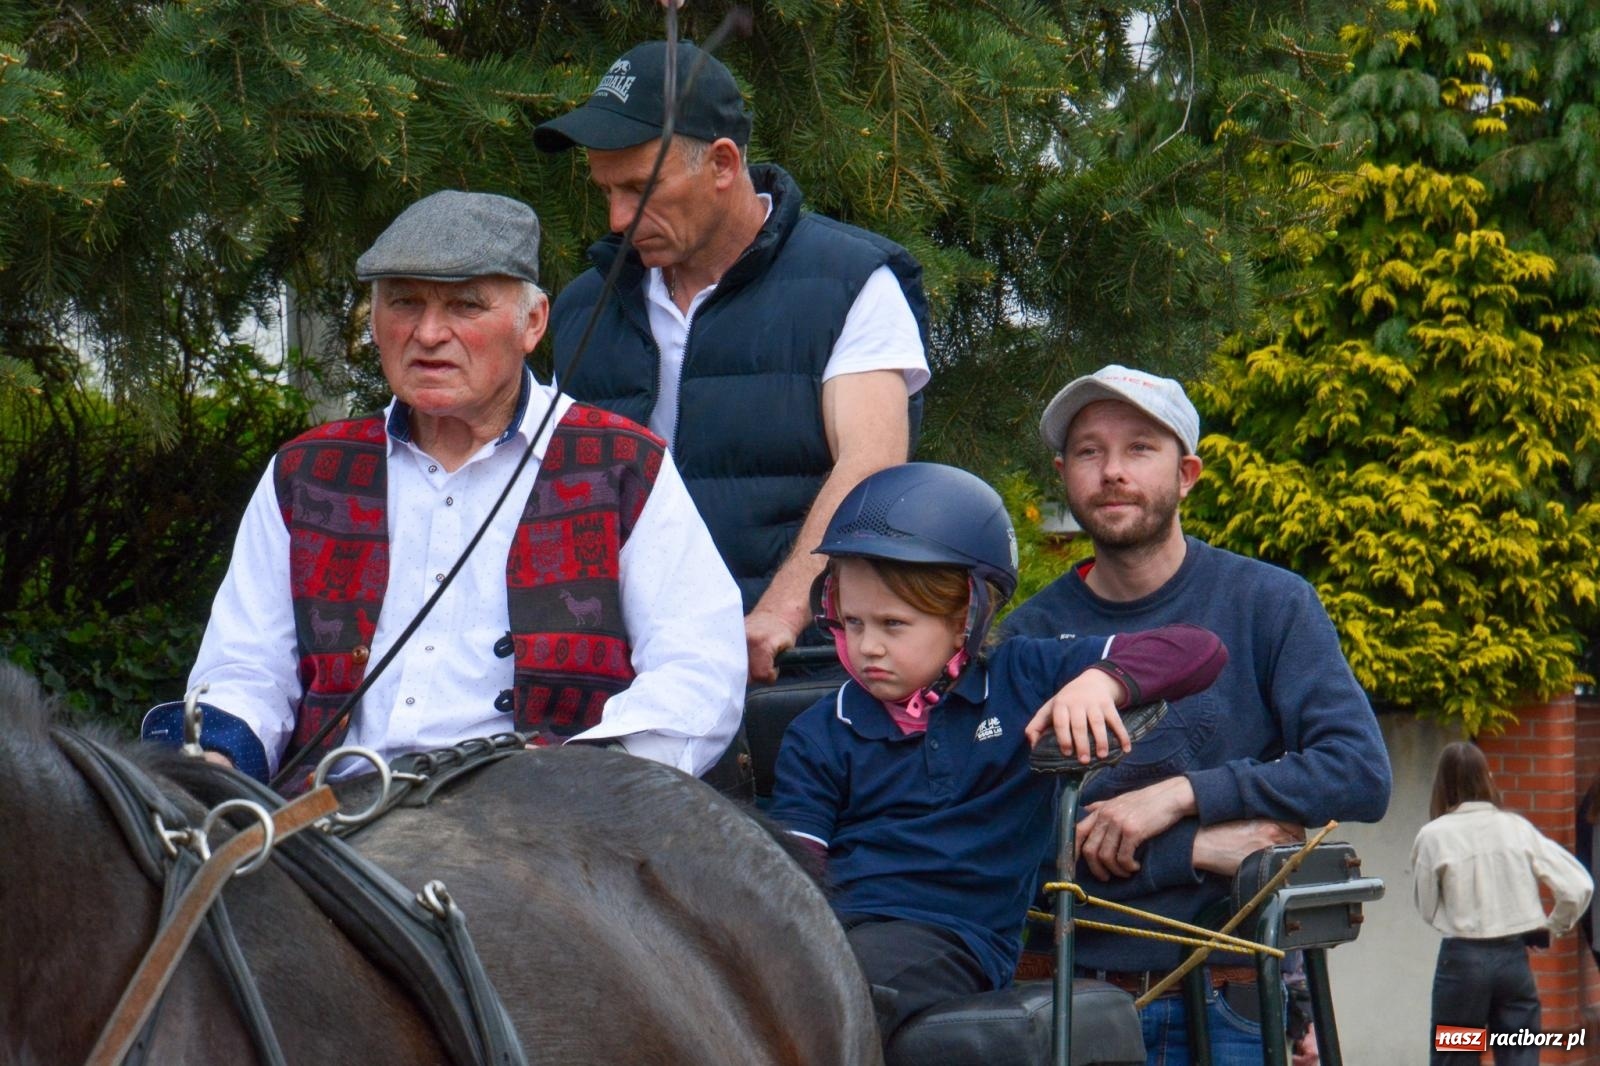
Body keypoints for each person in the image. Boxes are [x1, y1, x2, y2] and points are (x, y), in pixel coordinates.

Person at [142, 190, 746, 787]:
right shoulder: (308, 472)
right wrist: (213, 767)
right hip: (328, 830)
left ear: (532, 323)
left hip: (543, 832)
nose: (428, 333)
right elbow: (247, 667)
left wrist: (580, 786)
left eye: (464, 306)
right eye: (403, 302)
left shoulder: (620, 465)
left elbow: (696, 672)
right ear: (374, 322)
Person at [999, 364, 1393, 1065]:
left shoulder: (1269, 604)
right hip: (1061, 1003)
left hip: (1227, 1001)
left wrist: (1181, 795)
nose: (1112, 471)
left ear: (1186, 474)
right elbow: (998, 839)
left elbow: (1359, 772)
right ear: (1064, 474)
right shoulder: (1030, 637)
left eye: (1139, 449)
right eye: (1090, 451)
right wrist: (1193, 848)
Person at [768, 462, 1229, 1045]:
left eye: (893, 623)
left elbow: (1199, 650)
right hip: (832, 929)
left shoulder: (1023, 677)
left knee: (841, 992)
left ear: (965, 618)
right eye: (851, 622)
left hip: (952, 937)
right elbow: (793, 876)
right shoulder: (820, 731)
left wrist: (1100, 682)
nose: (867, 647)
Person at [534, 40, 930, 684]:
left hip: (792, 666)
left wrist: (778, 614)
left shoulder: (850, 281)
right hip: (619, 674)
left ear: (722, 162)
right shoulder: (584, 305)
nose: (618, 218)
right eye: (605, 190)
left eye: (639, 187)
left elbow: (873, 466)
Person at [1412, 742, 1592, 1066]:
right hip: (1513, 960)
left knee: (1457, 1055)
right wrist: (1551, 926)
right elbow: (1578, 885)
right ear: (1488, 777)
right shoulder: (1516, 827)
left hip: (1463, 963)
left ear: (1442, 784)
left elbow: (1427, 909)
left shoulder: (1433, 836)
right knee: (1520, 1052)